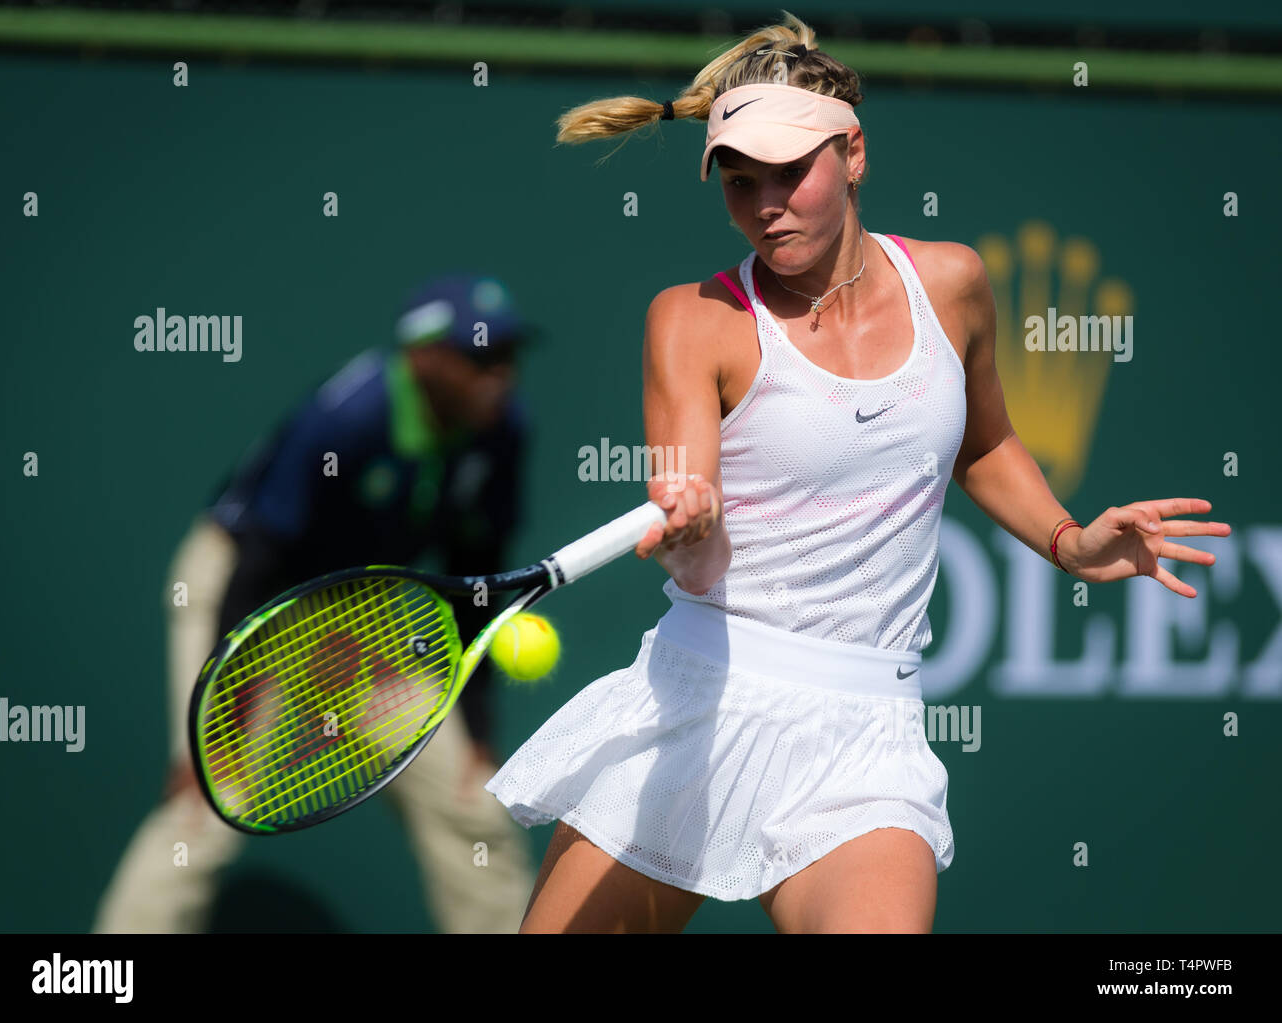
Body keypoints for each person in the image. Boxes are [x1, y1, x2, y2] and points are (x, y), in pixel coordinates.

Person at [482, 14, 1232, 934]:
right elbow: (696, 552)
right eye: (741, 181)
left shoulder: (953, 284)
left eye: (792, 172)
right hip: (700, 699)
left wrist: (1070, 542)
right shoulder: (692, 321)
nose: (767, 203)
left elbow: (984, 443)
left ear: (855, 154)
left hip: (864, 735)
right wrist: (691, 531)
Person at [94, 274, 538, 934]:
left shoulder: (501, 434)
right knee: (208, 803)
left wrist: (476, 729)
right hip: (243, 596)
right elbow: (259, 567)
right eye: (479, 358)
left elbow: (475, 584)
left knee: (471, 805)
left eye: (507, 356)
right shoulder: (346, 419)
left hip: (356, 618)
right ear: (423, 357)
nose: (499, 375)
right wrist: (226, 716)